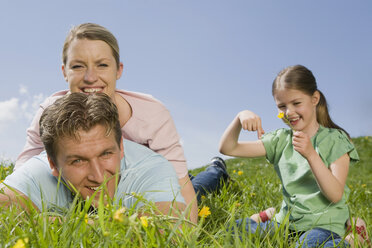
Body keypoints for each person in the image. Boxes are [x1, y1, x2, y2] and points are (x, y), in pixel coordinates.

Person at [14, 23, 229, 222]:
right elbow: (25, 171)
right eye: (78, 66)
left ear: (119, 70)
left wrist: (186, 226)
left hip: (154, 184)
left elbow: (180, 187)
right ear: (64, 72)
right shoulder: (50, 113)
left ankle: (217, 170)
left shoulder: (152, 115)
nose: (90, 77)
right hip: (88, 190)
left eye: (102, 65)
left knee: (197, 187)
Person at [219, 65, 360, 247]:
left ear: (314, 99)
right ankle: (263, 217)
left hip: (323, 225)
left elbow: (335, 195)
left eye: (296, 103)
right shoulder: (280, 140)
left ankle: (353, 238)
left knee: (307, 244)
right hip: (286, 223)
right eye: (282, 106)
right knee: (233, 230)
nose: (289, 112)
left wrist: (311, 155)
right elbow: (228, 148)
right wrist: (240, 117)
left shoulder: (335, 140)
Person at [1, 93, 186, 219]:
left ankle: (215, 169)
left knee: (201, 186)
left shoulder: (152, 169)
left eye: (106, 154)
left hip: (175, 182)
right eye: (78, 160)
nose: (98, 177)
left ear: (121, 147)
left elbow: (171, 232)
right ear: (53, 164)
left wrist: (48, 221)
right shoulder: (38, 172)